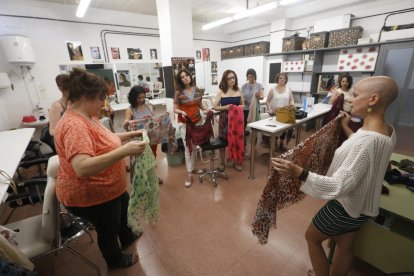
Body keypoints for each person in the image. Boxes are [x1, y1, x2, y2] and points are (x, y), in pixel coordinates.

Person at [272, 76, 398, 276]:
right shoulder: (388, 131)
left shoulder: (367, 141)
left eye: (356, 95)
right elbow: (363, 148)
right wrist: (346, 127)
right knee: (345, 245)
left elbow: (339, 185)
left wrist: (298, 171)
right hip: (362, 206)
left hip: (344, 207)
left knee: (311, 238)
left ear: (373, 99)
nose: (350, 99)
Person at [54, 68, 146, 269]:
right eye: (101, 99)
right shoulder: (74, 125)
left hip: (111, 187)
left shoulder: (88, 116)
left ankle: (128, 236)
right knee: (108, 229)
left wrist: (130, 135)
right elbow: (82, 167)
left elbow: (108, 139)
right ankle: (116, 261)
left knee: (123, 211)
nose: (104, 104)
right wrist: (125, 151)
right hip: (93, 194)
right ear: (87, 97)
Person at [173, 68, 207, 187]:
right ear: (180, 80)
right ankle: (189, 174)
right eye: (182, 77)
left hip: (197, 121)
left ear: (190, 76)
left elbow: (200, 104)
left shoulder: (196, 89)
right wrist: (181, 112)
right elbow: (175, 108)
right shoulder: (179, 93)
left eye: (186, 75)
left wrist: (206, 109)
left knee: (195, 145)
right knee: (188, 148)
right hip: (185, 123)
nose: (185, 78)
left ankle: (193, 168)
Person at [123, 86, 163, 184]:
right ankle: (143, 180)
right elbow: (126, 122)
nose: (141, 100)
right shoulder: (130, 110)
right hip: (140, 139)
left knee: (152, 157)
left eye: (143, 97)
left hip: (152, 138)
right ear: (133, 97)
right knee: (141, 160)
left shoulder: (148, 106)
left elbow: (153, 119)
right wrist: (126, 123)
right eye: (139, 98)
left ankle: (153, 177)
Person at [213, 70, 245, 172]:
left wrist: (238, 107)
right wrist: (225, 107)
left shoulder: (238, 90)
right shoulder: (221, 92)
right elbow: (215, 107)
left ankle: (235, 161)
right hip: (225, 120)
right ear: (225, 80)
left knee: (236, 140)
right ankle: (222, 162)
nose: (232, 80)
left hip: (236, 121)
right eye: (229, 78)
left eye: (233, 78)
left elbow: (243, 105)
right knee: (223, 141)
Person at [266, 72, 295, 151]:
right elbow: (268, 101)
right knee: (275, 130)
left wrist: (292, 105)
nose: (282, 80)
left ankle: (282, 142)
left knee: (284, 130)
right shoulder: (273, 89)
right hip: (274, 114)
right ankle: (274, 143)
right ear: (277, 79)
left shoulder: (288, 89)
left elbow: (291, 99)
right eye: (280, 78)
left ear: (286, 80)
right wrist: (270, 109)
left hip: (285, 113)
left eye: (284, 78)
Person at [241, 68, 264, 138]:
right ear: (247, 77)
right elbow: (240, 96)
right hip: (245, 109)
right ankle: (243, 141)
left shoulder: (259, 85)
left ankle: (254, 139)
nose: (251, 78)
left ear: (255, 76)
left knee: (255, 125)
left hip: (255, 109)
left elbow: (262, 97)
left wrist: (258, 96)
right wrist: (244, 100)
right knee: (243, 125)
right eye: (249, 77)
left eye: (252, 77)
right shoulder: (244, 86)